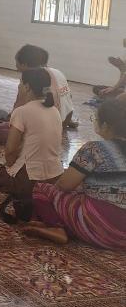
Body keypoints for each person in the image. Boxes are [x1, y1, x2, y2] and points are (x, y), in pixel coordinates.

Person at [22, 95, 126, 249]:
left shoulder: (94, 149)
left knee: (43, 189)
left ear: (105, 125)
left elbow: (64, 185)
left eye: (96, 119)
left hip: (100, 229)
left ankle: (57, 227)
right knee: (82, 192)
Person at [0, 68, 63, 201]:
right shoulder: (55, 111)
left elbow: (10, 151)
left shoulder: (22, 112)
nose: (18, 86)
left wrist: (10, 167)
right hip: (55, 176)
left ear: (27, 87)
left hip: (28, 180)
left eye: (20, 83)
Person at [14, 44, 76, 128]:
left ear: (24, 64)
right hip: (64, 120)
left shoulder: (30, 78)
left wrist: (10, 118)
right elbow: (69, 98)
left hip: (49, 125)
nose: (16, 66)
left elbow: (19, 105)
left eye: (16, 62)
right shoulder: (57, 72)